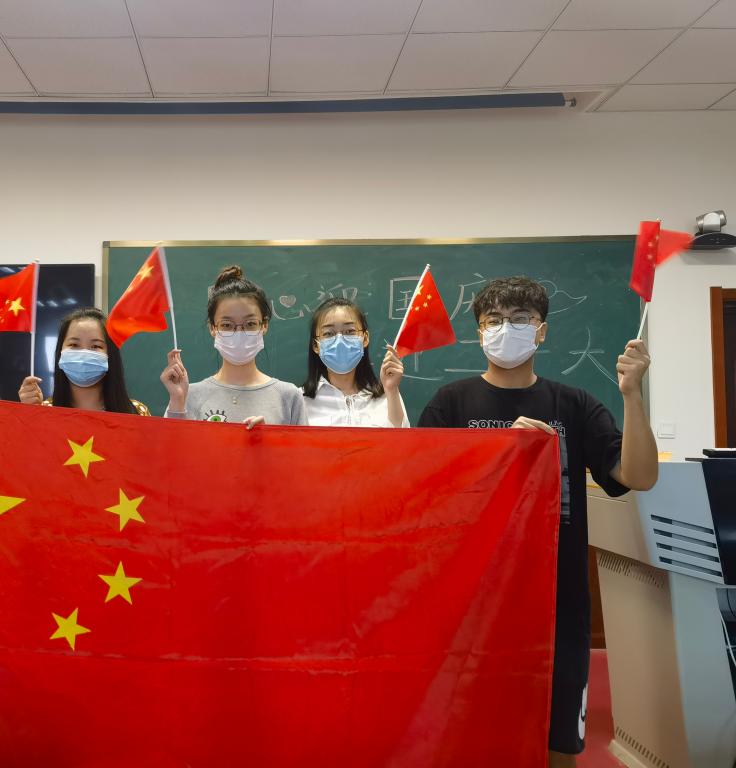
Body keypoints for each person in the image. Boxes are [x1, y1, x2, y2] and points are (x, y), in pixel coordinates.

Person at [416, 276, 658, 768]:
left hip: (557, 598)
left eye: (520, 319)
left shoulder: (575, 405)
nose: (506, 329)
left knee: (558, 740)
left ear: (542, 331)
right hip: (475, 599)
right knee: (474, 733)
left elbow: (638, 476)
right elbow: (425, 494)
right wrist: (500, 451)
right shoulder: (450, 403)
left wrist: (632, 395)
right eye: (494, 321)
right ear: (479, 332)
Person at [161, 264, 307, 427]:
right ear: (212, 328)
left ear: (264, 325)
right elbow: (169, 444)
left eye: (250, 324)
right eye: (227, 325)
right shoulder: (187, 396)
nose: (239, 333)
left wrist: (269, 438)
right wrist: (177, 401)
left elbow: (304, 445)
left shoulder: (289, 397)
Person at [18, 307, 148, 415]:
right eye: (74, 345)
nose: (84, 354)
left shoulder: (136, 412)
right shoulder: (44, 412)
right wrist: (28, 414)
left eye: (95, 346)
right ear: (60, 352)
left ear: (110, 354)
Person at [302, 297, 409, 427]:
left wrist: (391, 390)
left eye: (349, 331)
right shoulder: (300, 400)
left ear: (365, 338)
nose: (340, 341)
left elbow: (402, 439)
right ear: (315, 345)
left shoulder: (386, 396)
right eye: (329, 333)